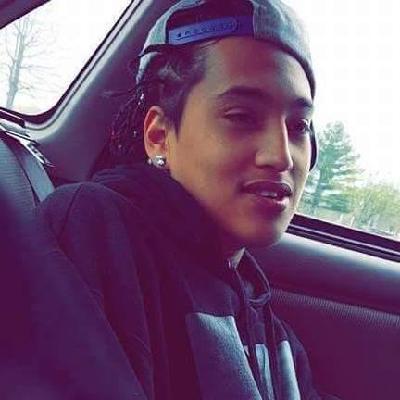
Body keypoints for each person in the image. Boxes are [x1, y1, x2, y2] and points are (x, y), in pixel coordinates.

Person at [32, 0, 338, 399]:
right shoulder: (96, 228)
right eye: (242, 116)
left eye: (298, 126)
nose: (281, 156)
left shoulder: (264, 319)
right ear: (159, 136)